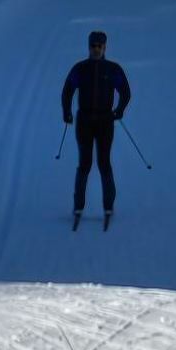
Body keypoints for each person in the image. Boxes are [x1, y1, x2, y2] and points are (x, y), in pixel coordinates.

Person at [61, 30, 132, 228]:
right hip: (84, 121)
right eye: (93, 46)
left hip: (105, 121)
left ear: (105, 47)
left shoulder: (113, 69)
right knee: (84, 164)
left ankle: (108, 206)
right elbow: (67, 91)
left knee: (103, 163)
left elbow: (125, 92)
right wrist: (66, 112)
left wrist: (119, 110)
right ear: (89, 47)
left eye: (100, 46)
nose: (96, 49)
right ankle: (78, 206)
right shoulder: (80, 68)